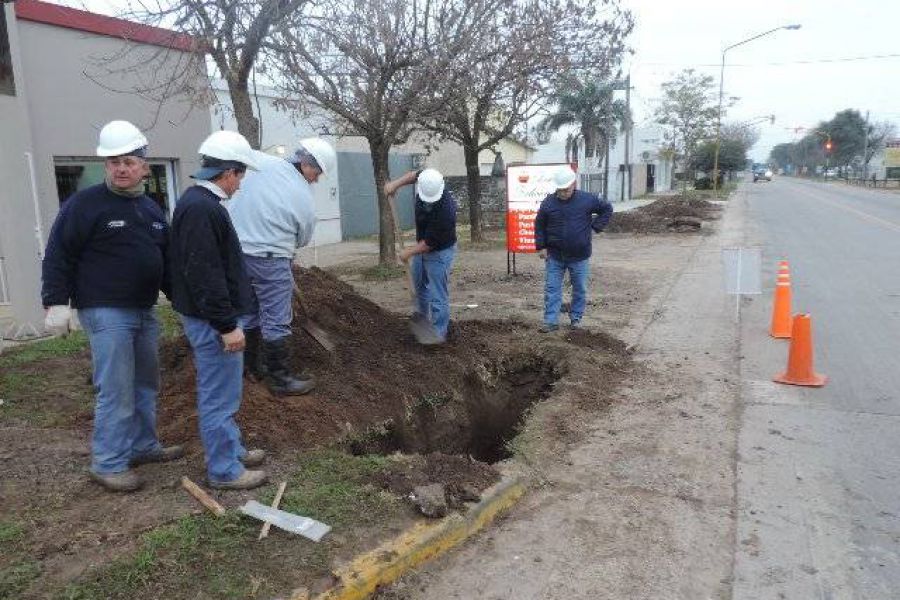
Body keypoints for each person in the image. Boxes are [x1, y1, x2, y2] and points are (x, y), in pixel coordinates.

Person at [41, 120, 183, 492]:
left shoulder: (151, 210)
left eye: (128, 162)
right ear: (106, 166)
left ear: (143, 166)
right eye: (113, 162)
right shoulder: (85, 205)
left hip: (144, 310)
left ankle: (142, 445)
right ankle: (108, 462)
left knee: (145, 383)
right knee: (116, 388)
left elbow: (165, 262)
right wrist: (56, 301)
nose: (121, 168)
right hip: (105, 311)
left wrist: (183, 302)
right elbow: (59, 252)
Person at [169, 130, 267, 490]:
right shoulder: (201, 210)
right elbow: (204, 272)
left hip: (212, 317)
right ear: (228, 172)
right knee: (219, 396)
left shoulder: (198, 205)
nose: (240, 185)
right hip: (213, 322)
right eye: (240, 177)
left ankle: (232, 450)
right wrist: (227, 324)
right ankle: (224, 470)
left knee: (225, 391)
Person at [227, 138, 336, 395]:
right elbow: (304, 235)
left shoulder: (258, 162)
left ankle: (251, 368)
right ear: (308, 164)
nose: (317, 179)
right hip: (271, 259)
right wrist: (287, 247)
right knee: (276, 318)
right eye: (317, 173)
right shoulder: (300, 194)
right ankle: (280, 379)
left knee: (248, 311)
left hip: (237, 255)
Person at [534, 165, 613, 332]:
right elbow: (539, 225)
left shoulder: (587, 200)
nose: (563, 193)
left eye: (566, 189)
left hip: (580, 256)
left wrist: (595, 227)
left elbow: (607, 209)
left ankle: (575, 319)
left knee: (580, 289)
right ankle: (550, 321)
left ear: (573, 184)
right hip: (555, 255)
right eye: (560, 190)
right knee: (552, 288)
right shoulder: (548, 203)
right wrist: (541, 246)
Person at [384, 168, 458, 343]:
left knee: (437, 294)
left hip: (439, 251)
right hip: (422, 245)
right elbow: (413, 175)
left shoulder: (446, 212)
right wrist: (395, 184)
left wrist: (408, 252)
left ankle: (439, 334)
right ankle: (423, 322)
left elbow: (430, 243)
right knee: (419, 286)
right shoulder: (428, 178)